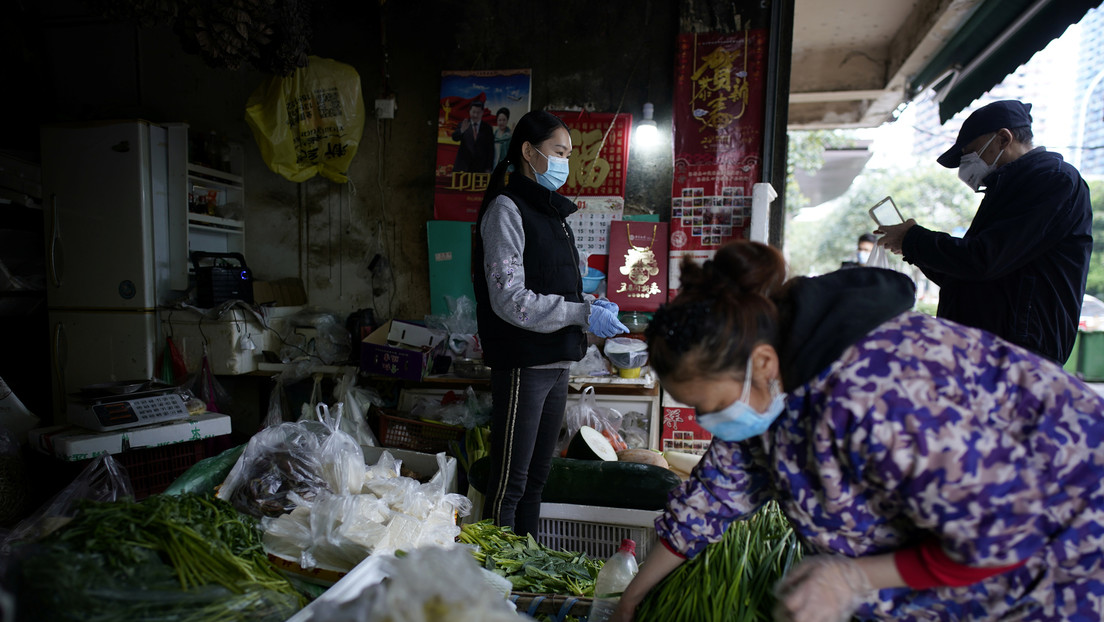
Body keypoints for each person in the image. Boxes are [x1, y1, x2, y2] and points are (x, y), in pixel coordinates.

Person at [610, 240, 1104, 622]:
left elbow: (998, 535)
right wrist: (634, 595)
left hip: (1067, 556)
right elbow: (716, 494)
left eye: (707, 405)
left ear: (761, 363)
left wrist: (851, 576)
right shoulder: (773, 386)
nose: (704, 420)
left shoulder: (885, 389)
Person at [472, 110, 628, 538]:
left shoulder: (553, 214)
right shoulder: (507, 209)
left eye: (568, 154)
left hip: (558, 361)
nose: (565, 163)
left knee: (537, 480)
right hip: (524, 362)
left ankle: (524, 565)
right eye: (558, 152)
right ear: (528, 151)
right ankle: (493, 579)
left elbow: (556, 283)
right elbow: (510, 299)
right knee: (510, 483)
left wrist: (592, 303)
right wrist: (580, 313)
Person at [877, 100, 1092, 364]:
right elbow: (966, 276)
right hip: (990, 348)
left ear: (1003, 139)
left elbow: (984, 259)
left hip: (1018, 354)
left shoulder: (1052, 180)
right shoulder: (1009, 189)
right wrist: (911, 248)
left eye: (971, 152)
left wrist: (914, 238)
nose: (966, 165)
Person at [451, 99, 497, 174]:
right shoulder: (463, 124)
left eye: (478, 112)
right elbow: (454, 138)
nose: (475, 115)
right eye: (473, 112)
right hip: (463, 168)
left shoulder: (488, 128)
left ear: (482, 113)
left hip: (480, 168)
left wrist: (488, 168)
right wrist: (462, 131)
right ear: (469, 112)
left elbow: (490, 149)